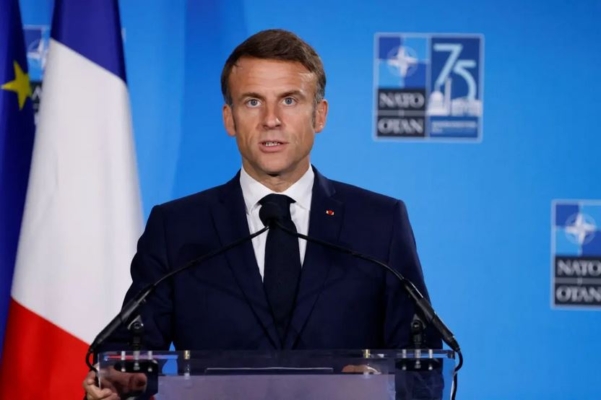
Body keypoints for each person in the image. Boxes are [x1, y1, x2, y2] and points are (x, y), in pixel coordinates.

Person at [83, 28, 441, 399]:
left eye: (289, 100)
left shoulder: (379, 223)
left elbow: (423, 363)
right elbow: (132, 358)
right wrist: (115, 385)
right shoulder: (177, 228)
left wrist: (382, 384)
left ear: (319, 115)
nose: (271, 119)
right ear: (230, 118)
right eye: (253, 102)